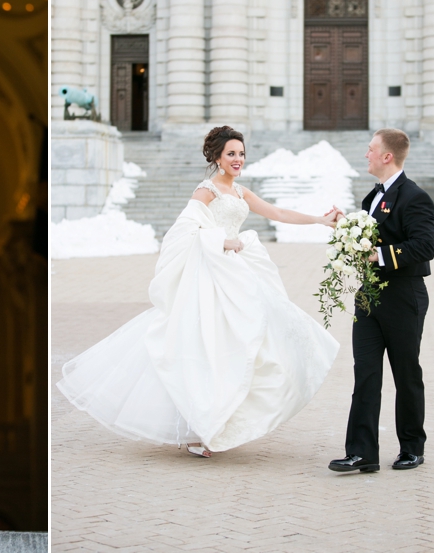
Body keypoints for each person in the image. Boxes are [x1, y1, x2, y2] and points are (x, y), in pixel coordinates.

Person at [56, 126, 341, 456]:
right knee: (206, 346)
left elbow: (277, 213)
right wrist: (220, 240)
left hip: (237, 274)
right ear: (218, 157)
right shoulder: (206, 191)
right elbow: (182, 232)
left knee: (245, 342)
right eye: (231, 153)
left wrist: (321, 221)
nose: (238, 159)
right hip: (211, 274)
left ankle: (218, 420)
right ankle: (198, 430)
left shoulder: (241, 192)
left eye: (242, 154)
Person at [329, 128, 434, 474]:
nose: (367, 154)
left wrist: (379, 255)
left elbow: (424, 246)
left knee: (406, 374)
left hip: (404, 296)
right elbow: (370, 236)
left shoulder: (415, 197)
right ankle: (362, 451)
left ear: (387, 156)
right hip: (369, 296)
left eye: (371, 149)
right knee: (366, 374)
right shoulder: (371, 198)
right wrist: (346, 230)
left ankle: (411, 447)